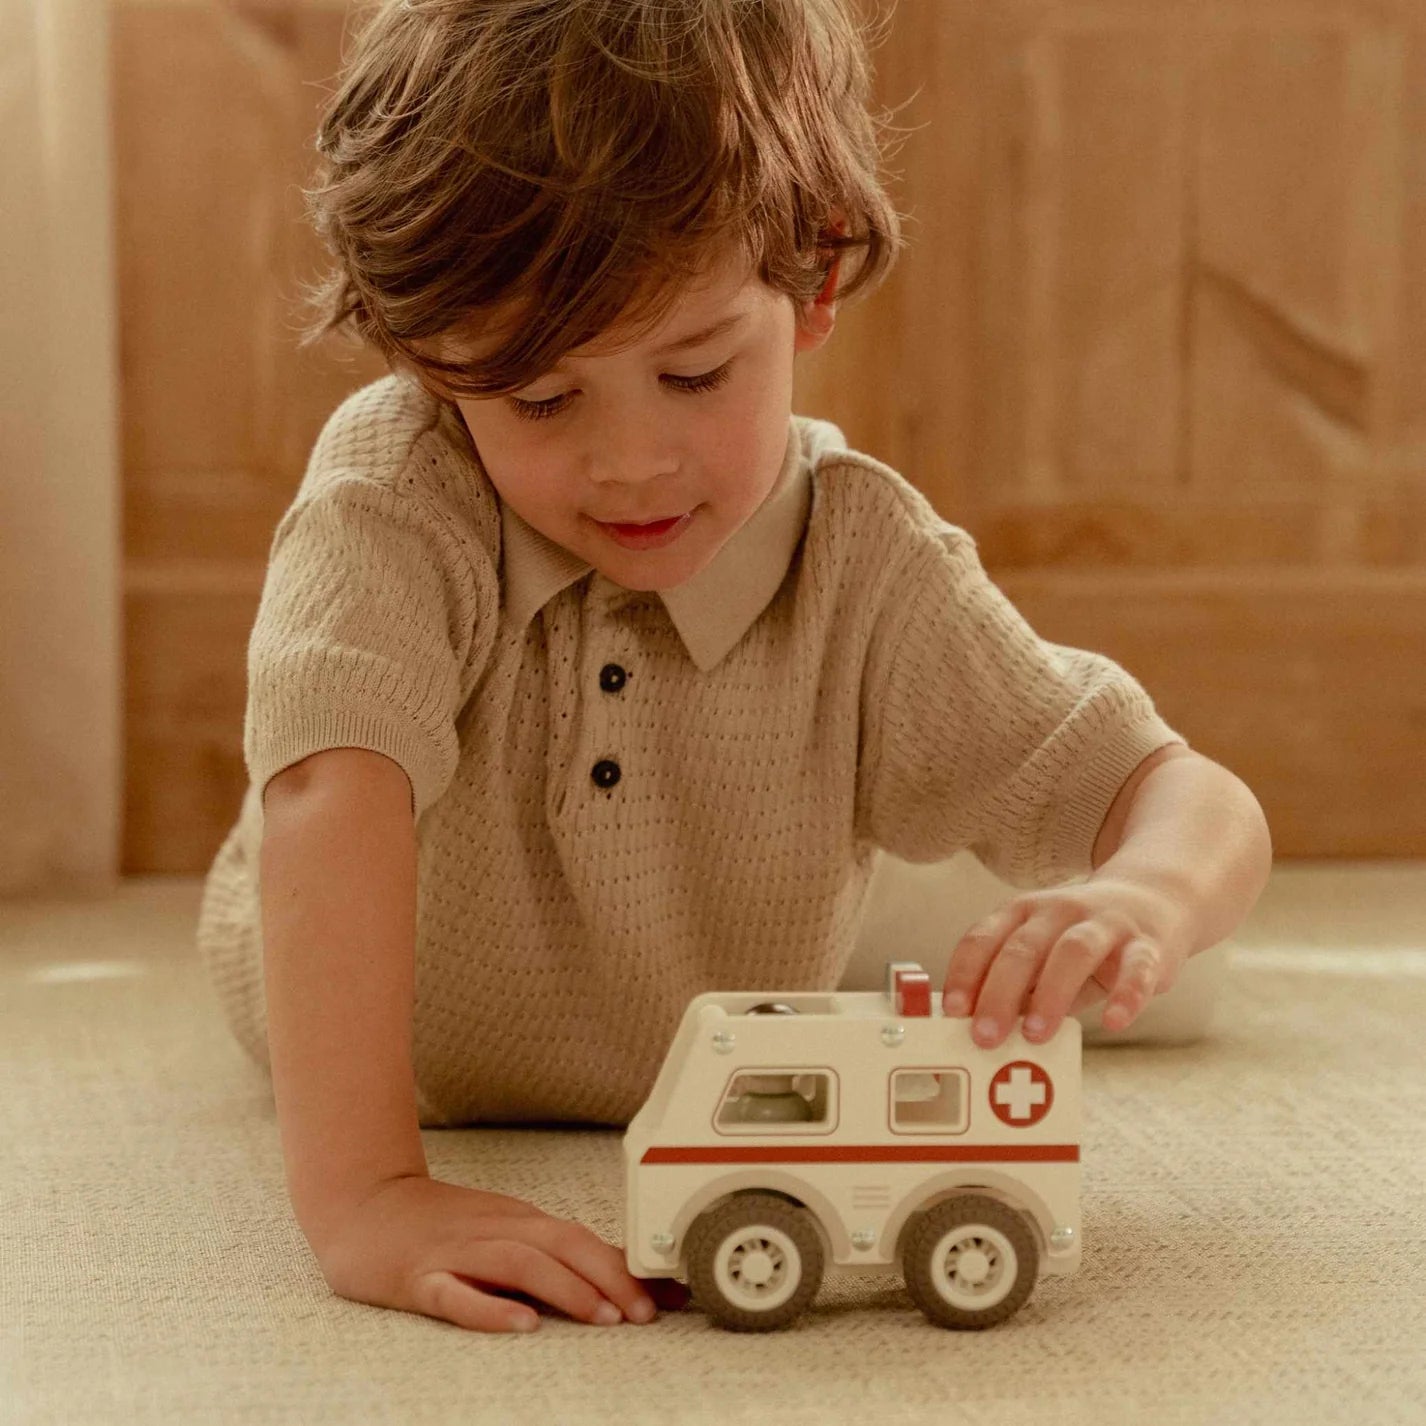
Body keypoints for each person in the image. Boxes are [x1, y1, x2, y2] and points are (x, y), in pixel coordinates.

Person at [197, 0, 1272, 1337]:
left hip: (718, 984)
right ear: (428, 358)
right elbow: (327, 793)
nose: (630, 461)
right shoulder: (393, 487)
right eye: (540, 399)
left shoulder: (866, 556)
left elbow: (1187, 792)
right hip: (399, 1012)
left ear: (813, 283)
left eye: (695, 373)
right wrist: (365, 1189)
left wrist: (1148, 892)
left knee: (1123, 953)